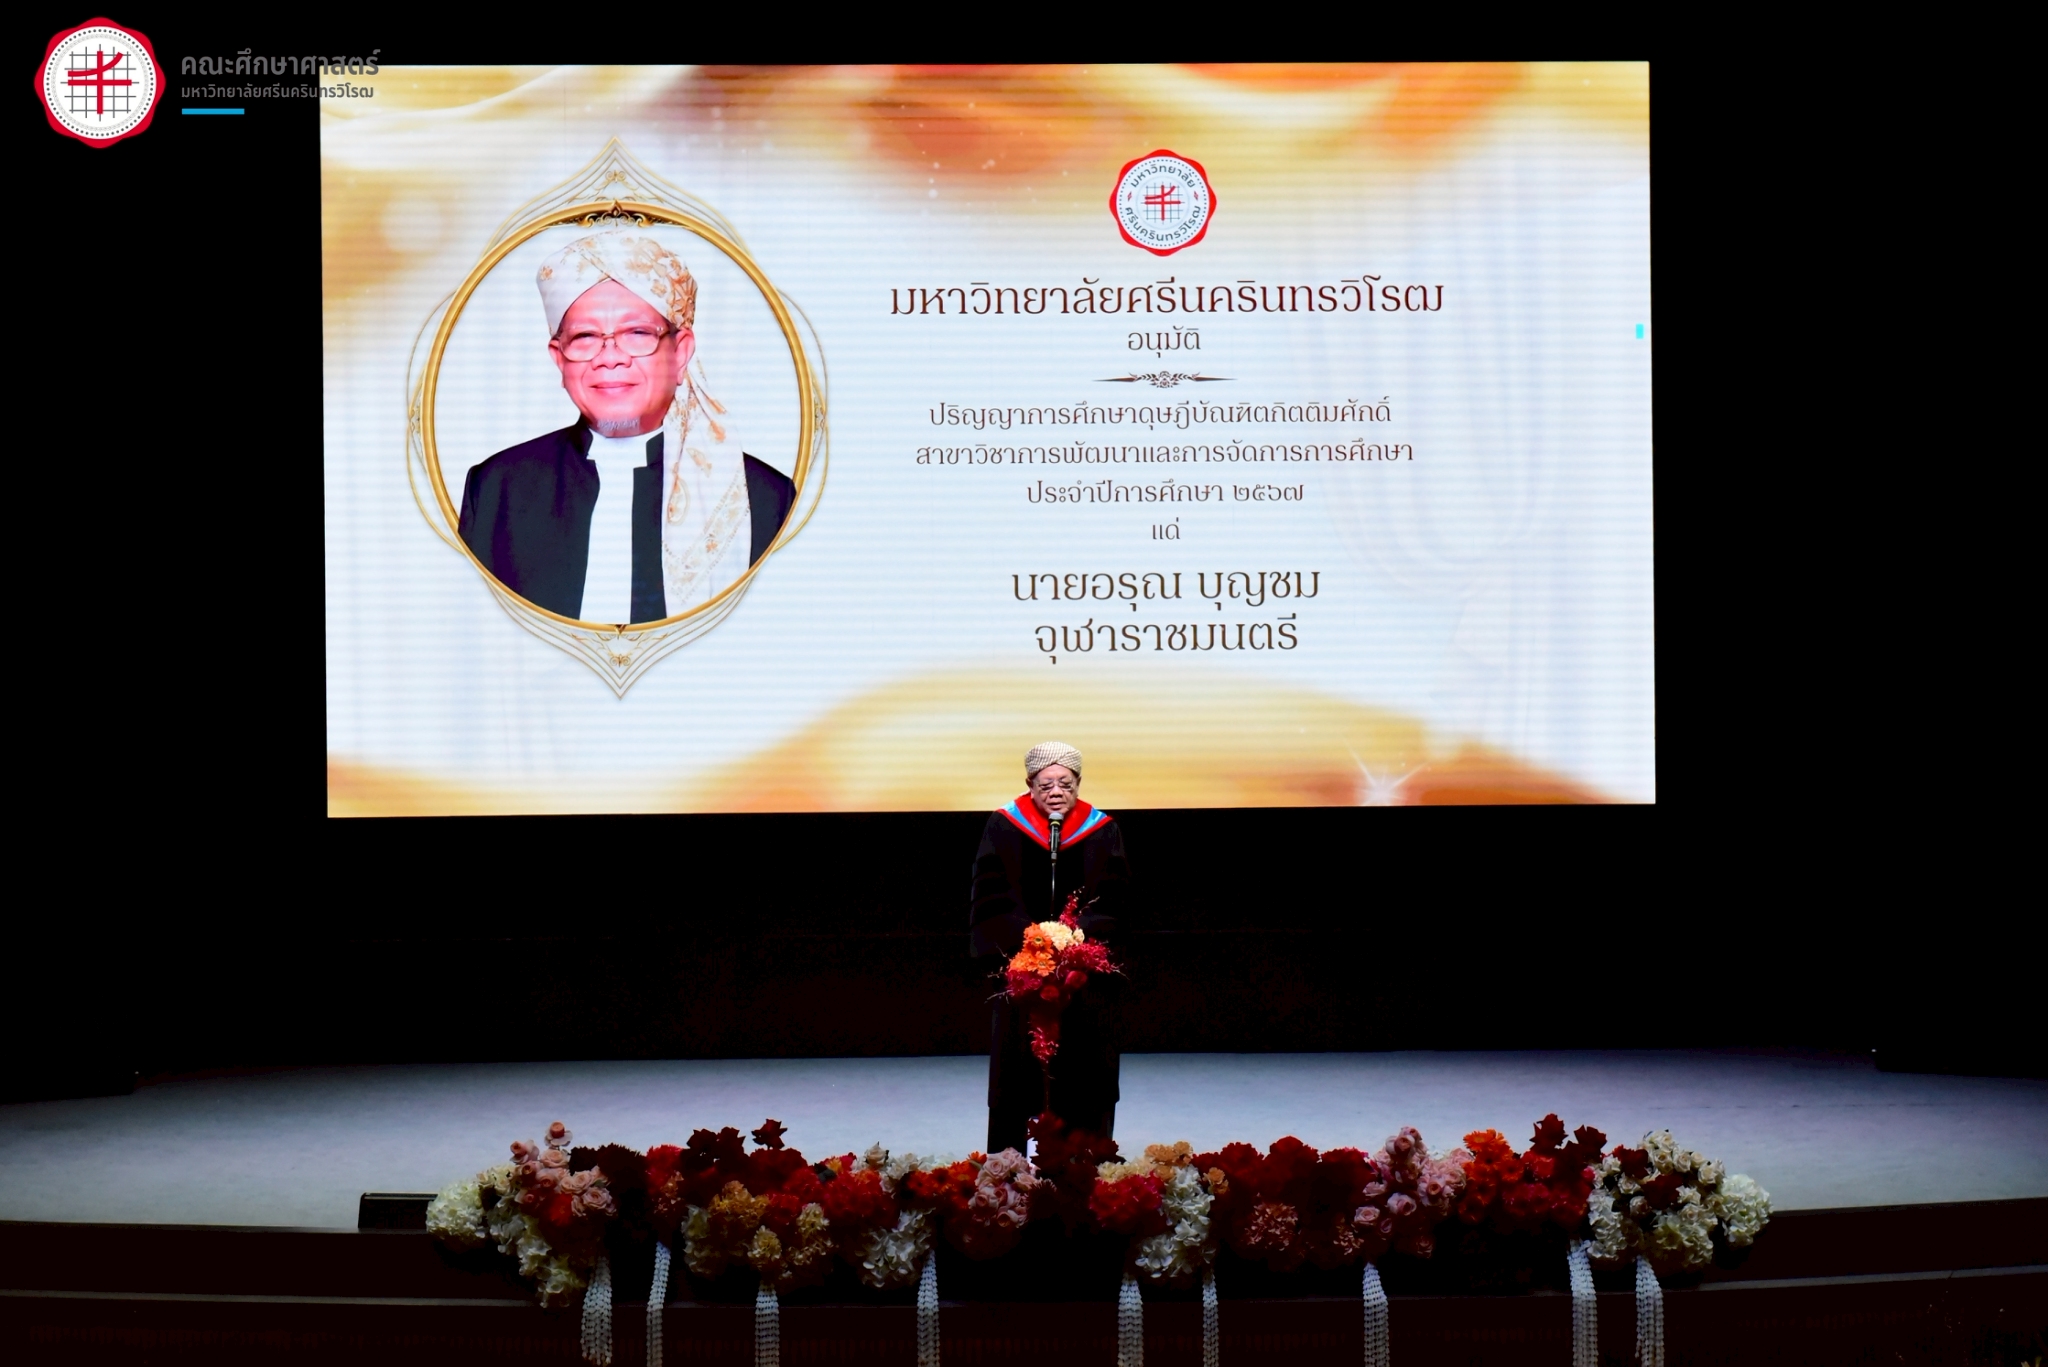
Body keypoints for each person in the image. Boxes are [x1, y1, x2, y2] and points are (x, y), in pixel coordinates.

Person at [458, 228, 795, 624]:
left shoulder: (762, 498)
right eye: (585, 336)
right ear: (559, 359)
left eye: (637, 333)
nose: (610, 357)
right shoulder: (497, 488)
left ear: (681, 353)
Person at [972, 741, 1132, 1154]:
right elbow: (992, 894)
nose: (1057, 791)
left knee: (1087, 1075)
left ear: (1078, 782)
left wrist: (1077, 938)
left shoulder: (1103, 830)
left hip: (1083, 976)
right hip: (1023, 971)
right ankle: (1009, 1172)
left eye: (1066, 783)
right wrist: (1030, 939)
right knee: (1016, 1076)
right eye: (1046, 784)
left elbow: (1114, 898)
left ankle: (1086, 1166)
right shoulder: (1003, 826)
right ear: (1030, 784)